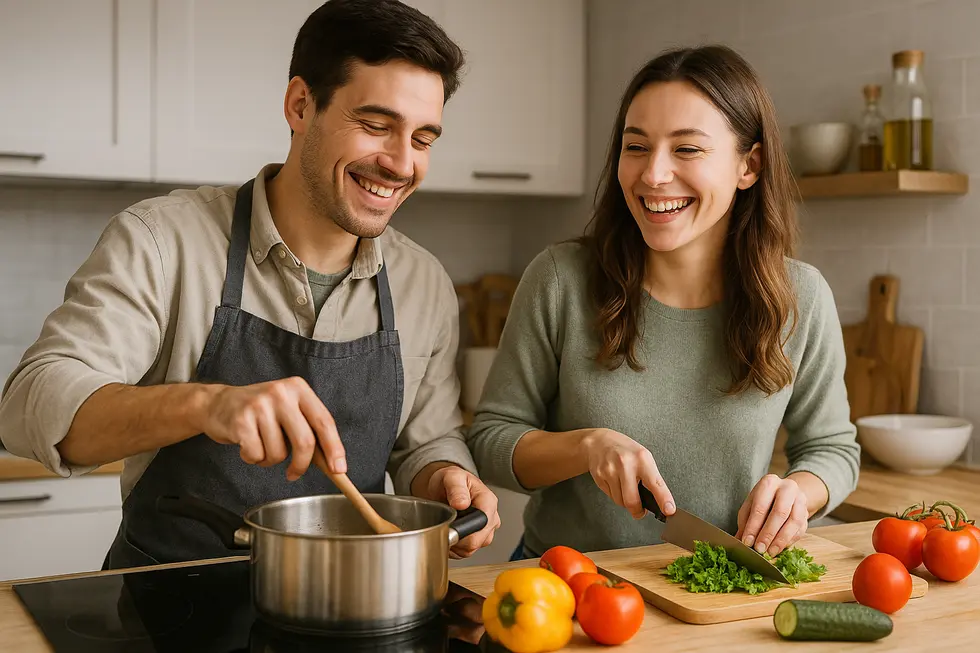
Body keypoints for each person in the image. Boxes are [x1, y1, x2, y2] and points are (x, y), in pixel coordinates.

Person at [0, 0, 500, 569]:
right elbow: (29, 406)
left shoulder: (425, 283)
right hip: (169, 605)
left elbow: (427, 439)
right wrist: (204, 404)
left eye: (423, 139)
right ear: (300, 106)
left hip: (344, 605)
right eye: (376, 125)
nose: (401, 163)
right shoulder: (163, 240)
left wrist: (445, 477)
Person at [466, 45, 860, 562]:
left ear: (749, 165)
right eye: (636, 146)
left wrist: (799, 491)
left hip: (716, 590)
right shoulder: (560, 280)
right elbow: (491, 440)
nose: (653, 175)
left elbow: (833, 448)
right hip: (564, 587)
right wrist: (586, 448)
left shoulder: (800, 297)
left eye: (687, 149)